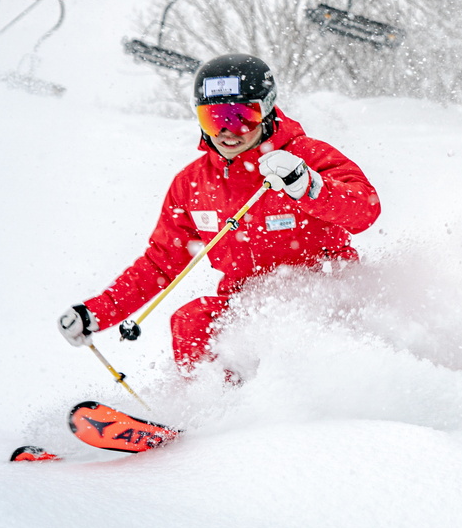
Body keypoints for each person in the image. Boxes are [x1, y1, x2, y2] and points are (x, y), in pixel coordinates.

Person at [57, 53, 381, 375]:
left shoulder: (306, 156)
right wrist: (96, 312)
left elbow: (366, 209)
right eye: (214, 118)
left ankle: (320, 395)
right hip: (246, 306)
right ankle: (212, 404)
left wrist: (310, 186)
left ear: (266, 109)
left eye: (241, 117)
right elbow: (161, 262)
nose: (227, 131)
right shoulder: (194, 184)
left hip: (324, 295)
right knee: (193, 322)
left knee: (288, 330)